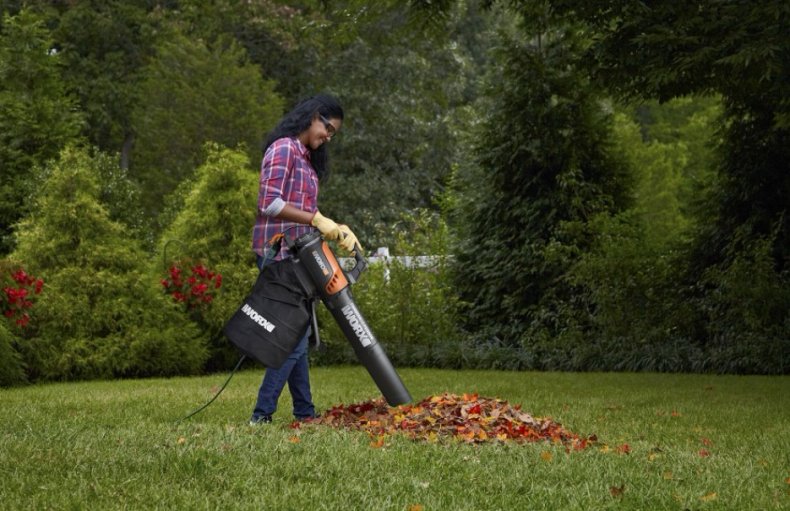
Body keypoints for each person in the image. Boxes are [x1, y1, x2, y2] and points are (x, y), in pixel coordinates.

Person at [249, 94, 359, 425]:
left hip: (299, 257)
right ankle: (261, 416)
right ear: (312, 117)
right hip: (278, 254)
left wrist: (335, 228)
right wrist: (315, 220)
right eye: (327, 127)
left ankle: (305, 413)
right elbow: (269, 202)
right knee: (293, 340)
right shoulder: (283, 149)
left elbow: (302, 208)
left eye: (333, 133)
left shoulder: (306, 159)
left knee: (298, 338)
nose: (328, 136)